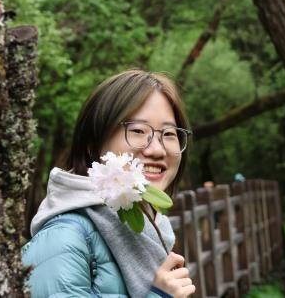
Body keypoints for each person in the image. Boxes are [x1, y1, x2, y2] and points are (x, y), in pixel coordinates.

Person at [22, 69, 195, 298]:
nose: (157, 149)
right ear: (93, 145)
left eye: (169, 134)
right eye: (138, 130)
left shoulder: (154, 229)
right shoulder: (63, 238)